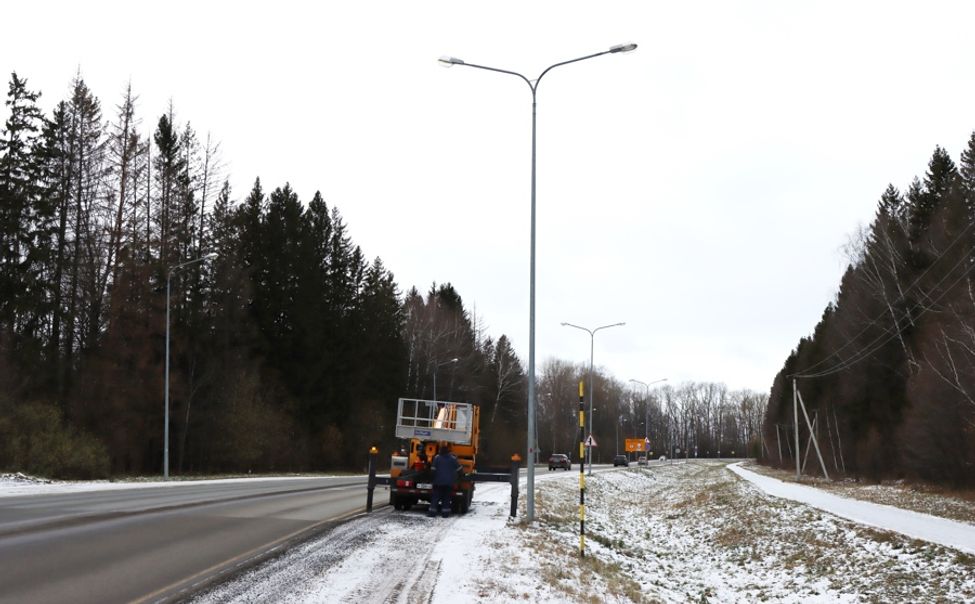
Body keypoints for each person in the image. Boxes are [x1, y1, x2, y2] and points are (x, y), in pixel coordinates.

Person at [428, 444, 460, 518]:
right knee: (446, 498)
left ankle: (432, 513)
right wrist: (461, 476)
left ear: (440, 451)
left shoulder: (437, 458)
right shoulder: (453, 459)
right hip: (448, 483)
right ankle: (445, 514)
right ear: (448, 451)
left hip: (438, 482)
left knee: (435, 498)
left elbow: (433, 470)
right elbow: (459, 469)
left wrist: (431, 479)